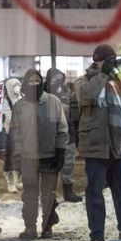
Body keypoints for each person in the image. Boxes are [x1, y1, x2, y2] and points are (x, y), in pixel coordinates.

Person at [76, 45, 121, 241]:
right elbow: (86, 96)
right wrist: (103, 74)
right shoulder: (84, 80)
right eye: (107, 60)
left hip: (117, 146)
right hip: (96, 146)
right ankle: (97, 236)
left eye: (112, 60)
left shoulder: (116, 82)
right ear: (97, 61)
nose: (110, 64)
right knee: (95, 192)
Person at [10, 69, 68, 240]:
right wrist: (17, 157)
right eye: (31, 81)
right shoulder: (20, 106)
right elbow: (15, 134)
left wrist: (60, 151)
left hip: (50, 156)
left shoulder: (53, 102)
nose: (34, 84)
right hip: (28, 158)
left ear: (42, 82)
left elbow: (62, 129)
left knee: (48, 195)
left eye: (37, 80)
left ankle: (47, 227)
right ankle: (30, 228)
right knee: (29, 195)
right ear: (25, 83)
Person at [45, 68, 82, 203]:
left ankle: (68, 192)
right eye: (54, 79)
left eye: (59, 78)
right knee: (50, 167)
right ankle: (49, 195)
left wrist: (75, 133)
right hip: (50, 137)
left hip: (68, 134)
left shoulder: (67, 91)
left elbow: (74, 114)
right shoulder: (43, 93)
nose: (57, 81)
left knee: (68, 165)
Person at [1, 76, 23, 193]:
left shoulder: (23, 98)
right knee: (9, 157)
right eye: (14, 86)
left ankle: (18, 180)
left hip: (24, 133)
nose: (17, 88)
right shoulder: (6, 101)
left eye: (18, 85)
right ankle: (10, 182)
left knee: (22, 157)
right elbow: (8, 118)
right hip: (10, 132)